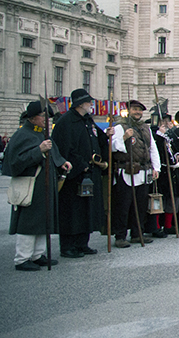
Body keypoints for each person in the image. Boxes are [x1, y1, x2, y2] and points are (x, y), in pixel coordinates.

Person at [5, 100, 69, 271]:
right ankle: (22, 258)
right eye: (43, 116)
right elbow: (15, 162)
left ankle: (37, 254)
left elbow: (53, 153)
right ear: (32, 118)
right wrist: (38, 150)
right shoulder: (22, 135)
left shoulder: (41, 133)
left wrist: (61, 162)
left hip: (44, 185)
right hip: (30, 184)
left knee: (43, 219)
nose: (46, 120)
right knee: (29, 222)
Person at [50, 88, 108, 258]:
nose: (91, 105)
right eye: (89, 102)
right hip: (74, 174)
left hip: (90, 172)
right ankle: (67, 246)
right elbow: (65, 148)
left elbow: (98, 140)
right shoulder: (66, 122)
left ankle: (83, 243)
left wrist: (107, 136)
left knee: (87, 209)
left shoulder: (88, 120)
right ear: (81, 104)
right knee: (72, 211)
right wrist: (81, 165)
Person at [109, 100, 163, 248]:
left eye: (139, 110)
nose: (137, 112)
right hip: (126, 170)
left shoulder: (145, 128)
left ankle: (137, 233)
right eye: (134, 109)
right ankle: (120, 236)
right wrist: (125, 137)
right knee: (123, 205)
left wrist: (156, 168)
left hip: (143, 171)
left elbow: (153, 148)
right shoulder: (120, 127)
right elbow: (112, 147)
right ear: (129, 111)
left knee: (140, 206)